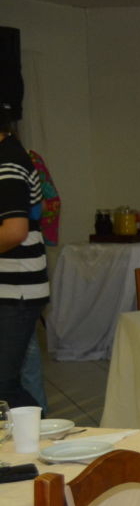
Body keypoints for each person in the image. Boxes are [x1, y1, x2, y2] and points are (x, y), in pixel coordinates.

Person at [0, 105, 49, 408]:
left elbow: (15, 231)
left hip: (16, 292)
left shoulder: (8, 163)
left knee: (4, 385)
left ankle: (42, 442)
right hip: (12, 289)